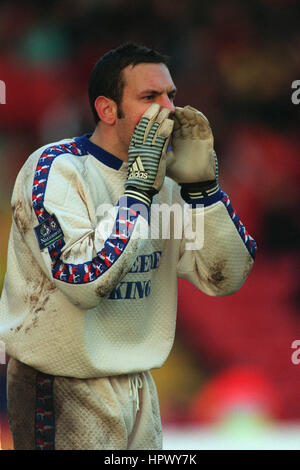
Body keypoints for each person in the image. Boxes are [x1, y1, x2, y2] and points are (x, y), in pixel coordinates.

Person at [0, 42, 256, 450]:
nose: (168, 110)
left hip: (138, 387)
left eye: (171, 95)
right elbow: (83, 281)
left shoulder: (167, 183)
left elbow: (225, 277)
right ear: (107, 109)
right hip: (61, 385)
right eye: (150, 97)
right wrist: (137, 191)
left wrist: (205, 193)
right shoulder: (55, 168)